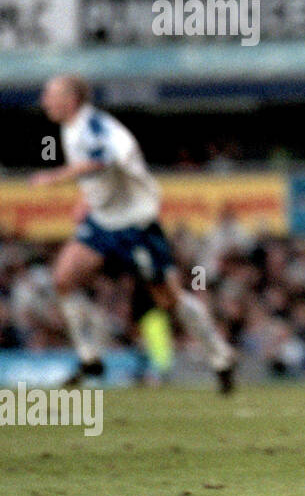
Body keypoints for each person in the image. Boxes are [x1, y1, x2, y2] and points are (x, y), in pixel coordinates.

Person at [31, 74, 238, 393]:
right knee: (63, 278)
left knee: (169, 300)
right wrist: (86, 201)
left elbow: (102, 161)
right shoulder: (71, 128)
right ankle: (90, 358)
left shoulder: (96, 127)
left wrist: (55, 177)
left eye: (50, 94)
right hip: (102, 222)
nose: (44, 100)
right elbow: (102, 174)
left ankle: (220, 355)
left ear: (70, 101)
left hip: (135, 225)